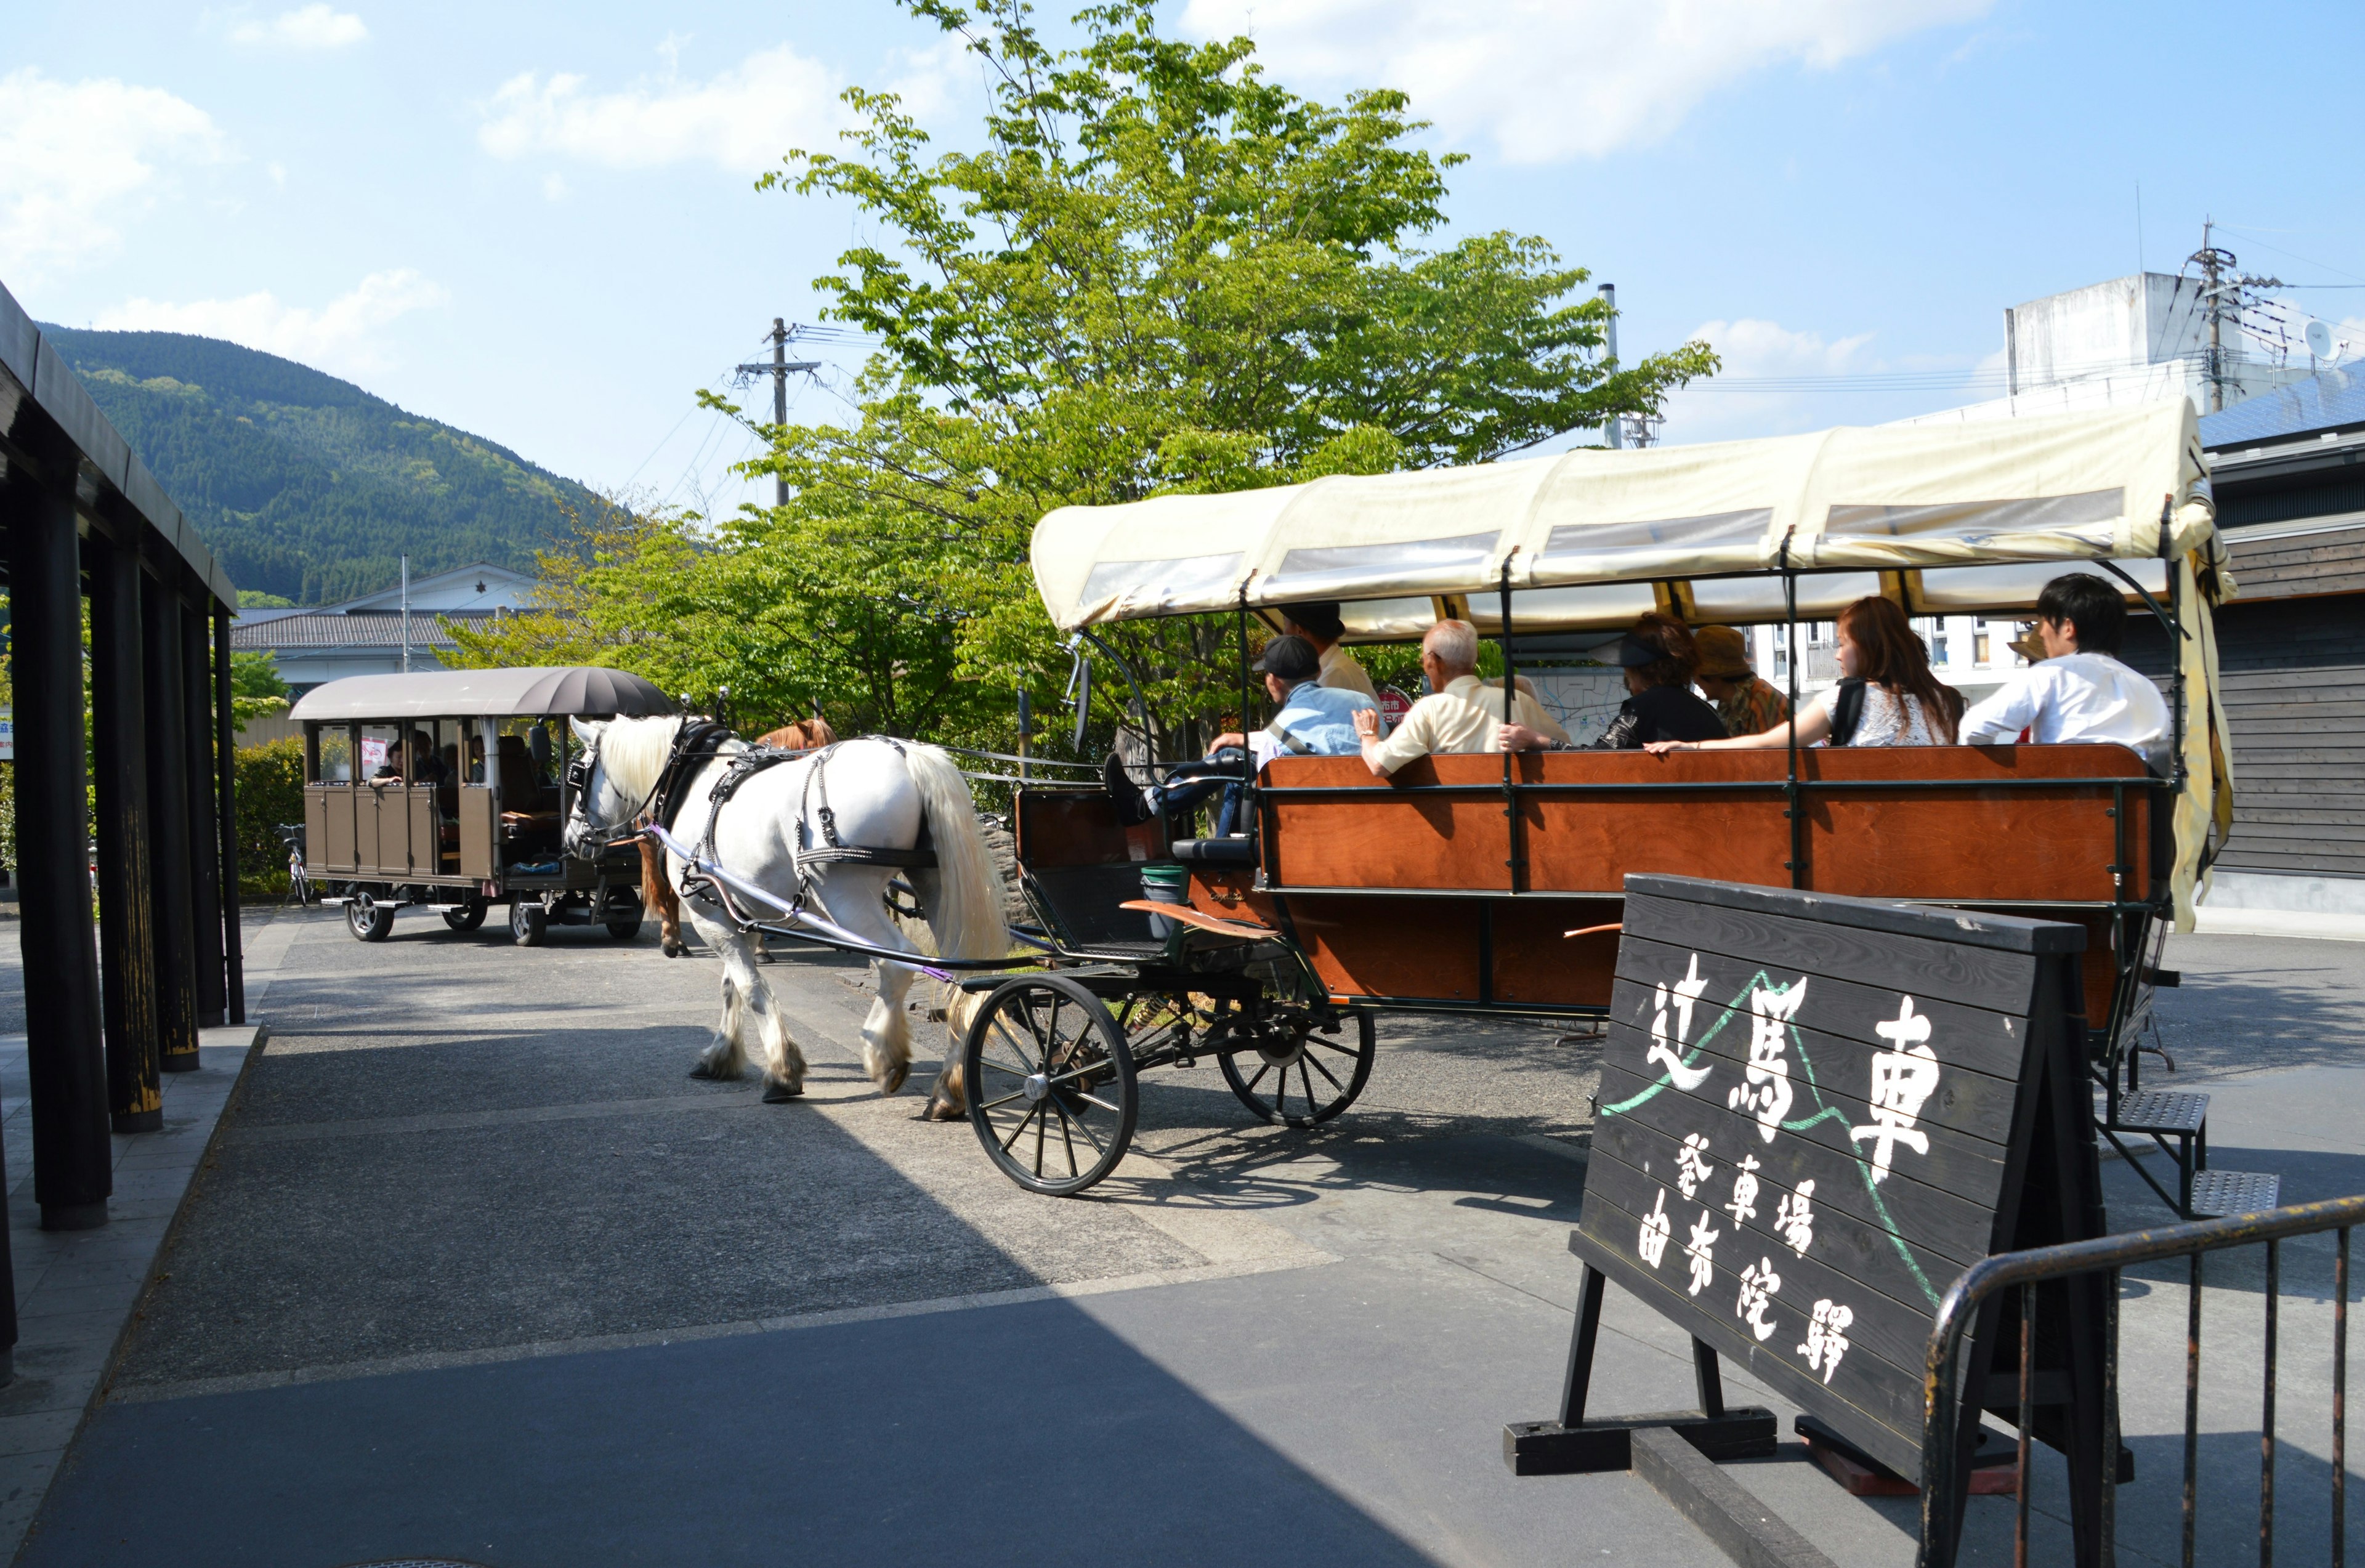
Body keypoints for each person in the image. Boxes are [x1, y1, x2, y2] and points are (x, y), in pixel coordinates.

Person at [1106, 634, 1373, 831]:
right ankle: (1147, 806)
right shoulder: (1363, 703)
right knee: (1238, 760)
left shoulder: (1280, 731)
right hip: (1367, 816)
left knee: (1236, 767)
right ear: (1317, 671)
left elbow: (1267, 796)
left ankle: (1150, 810)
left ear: (1273, 680)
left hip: (1311, 829)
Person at [1644, 597, 1958, 754]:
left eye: (1842, 644)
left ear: (1869, 647)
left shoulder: (1845, 697)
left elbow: (1770, 743)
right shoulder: (1948, 700)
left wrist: (1692, 747)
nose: (1837, 654)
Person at [1958, 573, 2169, 769]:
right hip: (2136, 805)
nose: (2041, 632)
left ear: (2068, 627)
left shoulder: (2051, 673)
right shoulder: (2146, 686)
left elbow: (1974, 728)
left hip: (2066, 801)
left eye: (2045, 621)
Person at [1352, 619, 1567, 775]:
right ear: (1475, 659)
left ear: (1434, 662)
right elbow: (1565, 749)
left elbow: (1380, 765)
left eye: (1423, 662)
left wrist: (1368, 734)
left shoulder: (1428, 709)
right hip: (1516, 818)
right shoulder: (1518, 701)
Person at [1498, 612, 1725, 752]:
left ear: (1637, 669)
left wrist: (1536, 739)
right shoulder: (1701, 708)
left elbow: (1602, 758)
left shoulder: (1644, 707)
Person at [1691, 624, 1789, 738]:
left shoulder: (1762, 700)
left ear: (1714, 675)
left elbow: (1765, 755)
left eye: (1696, 674)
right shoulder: (1729, 703)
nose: (1695, 680)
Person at [1279, 600, 1380, 701]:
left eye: (1285, 625)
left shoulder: (1333, 674)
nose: (1284, 634)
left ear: (1299, 631)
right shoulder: (1335, 668)